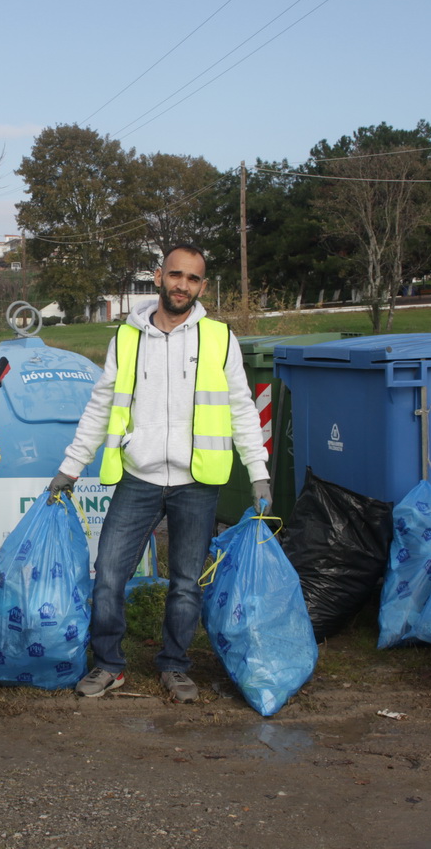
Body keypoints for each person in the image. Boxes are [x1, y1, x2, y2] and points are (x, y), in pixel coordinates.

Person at [48, 243, 272, 702]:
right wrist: (70, 468)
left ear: (202, 286)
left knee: (186, 583)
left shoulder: (218, 338)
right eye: (175, 275)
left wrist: (259, 473)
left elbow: (242, 409)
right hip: (139, 478)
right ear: (158, 276)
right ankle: (109, 664)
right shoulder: (126, 339)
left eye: (192, 279)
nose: (182, 285)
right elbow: (101, 407)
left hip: (197, 483)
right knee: (109, 574)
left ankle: (175, 666)